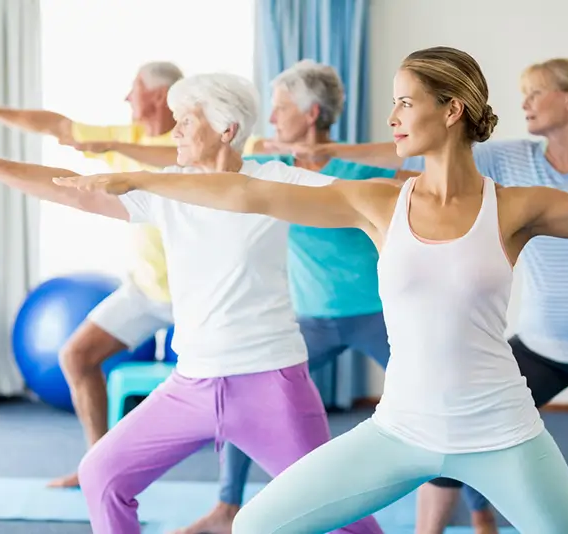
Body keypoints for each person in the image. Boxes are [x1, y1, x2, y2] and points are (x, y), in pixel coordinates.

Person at [49, 44, 568, 533]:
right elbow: (249, 188)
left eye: (405, 101)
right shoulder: (379, 203)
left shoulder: (516, 205)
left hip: (502, 431)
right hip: (400, 429)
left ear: (452, 110)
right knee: (254, 525)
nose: (392, 116)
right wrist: (142, 179)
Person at [0, 72, 384, 534]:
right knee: (101, 474)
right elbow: (72, 189)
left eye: (186, 121)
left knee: (341, 516)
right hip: (190, 385)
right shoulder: (167, 190)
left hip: (269, 383)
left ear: (226, 129)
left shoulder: (278, 181)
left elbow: (360, 201)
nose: (173, 131)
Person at [302, 57, 568, 531]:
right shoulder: (510, 159)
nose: (525, 103)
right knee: (454, 423)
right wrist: (327, 149)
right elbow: (403, 152)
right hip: (542, 343)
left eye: (536, 93)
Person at [172, 59, 403, 534]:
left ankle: (479, 513)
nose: (273, 119)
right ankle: (225, 508)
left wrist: (332, 152)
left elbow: (414, 166)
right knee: (243, 389)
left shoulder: (356, 168)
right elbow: (207, 156)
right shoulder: (267, 170)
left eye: (280, 108)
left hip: (374, 316)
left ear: (311, 113)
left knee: (438, 393)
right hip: (311, 321)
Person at [0, 61, 184, 489]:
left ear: (158, 95)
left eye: (133, 88)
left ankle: (228, 497)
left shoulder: (199, 144)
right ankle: (99, 467)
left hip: (197, 296)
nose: (126, 98)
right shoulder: (124, 139)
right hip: (144, 290)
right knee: (76, 356)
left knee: (227, 386)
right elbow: (58, 125)